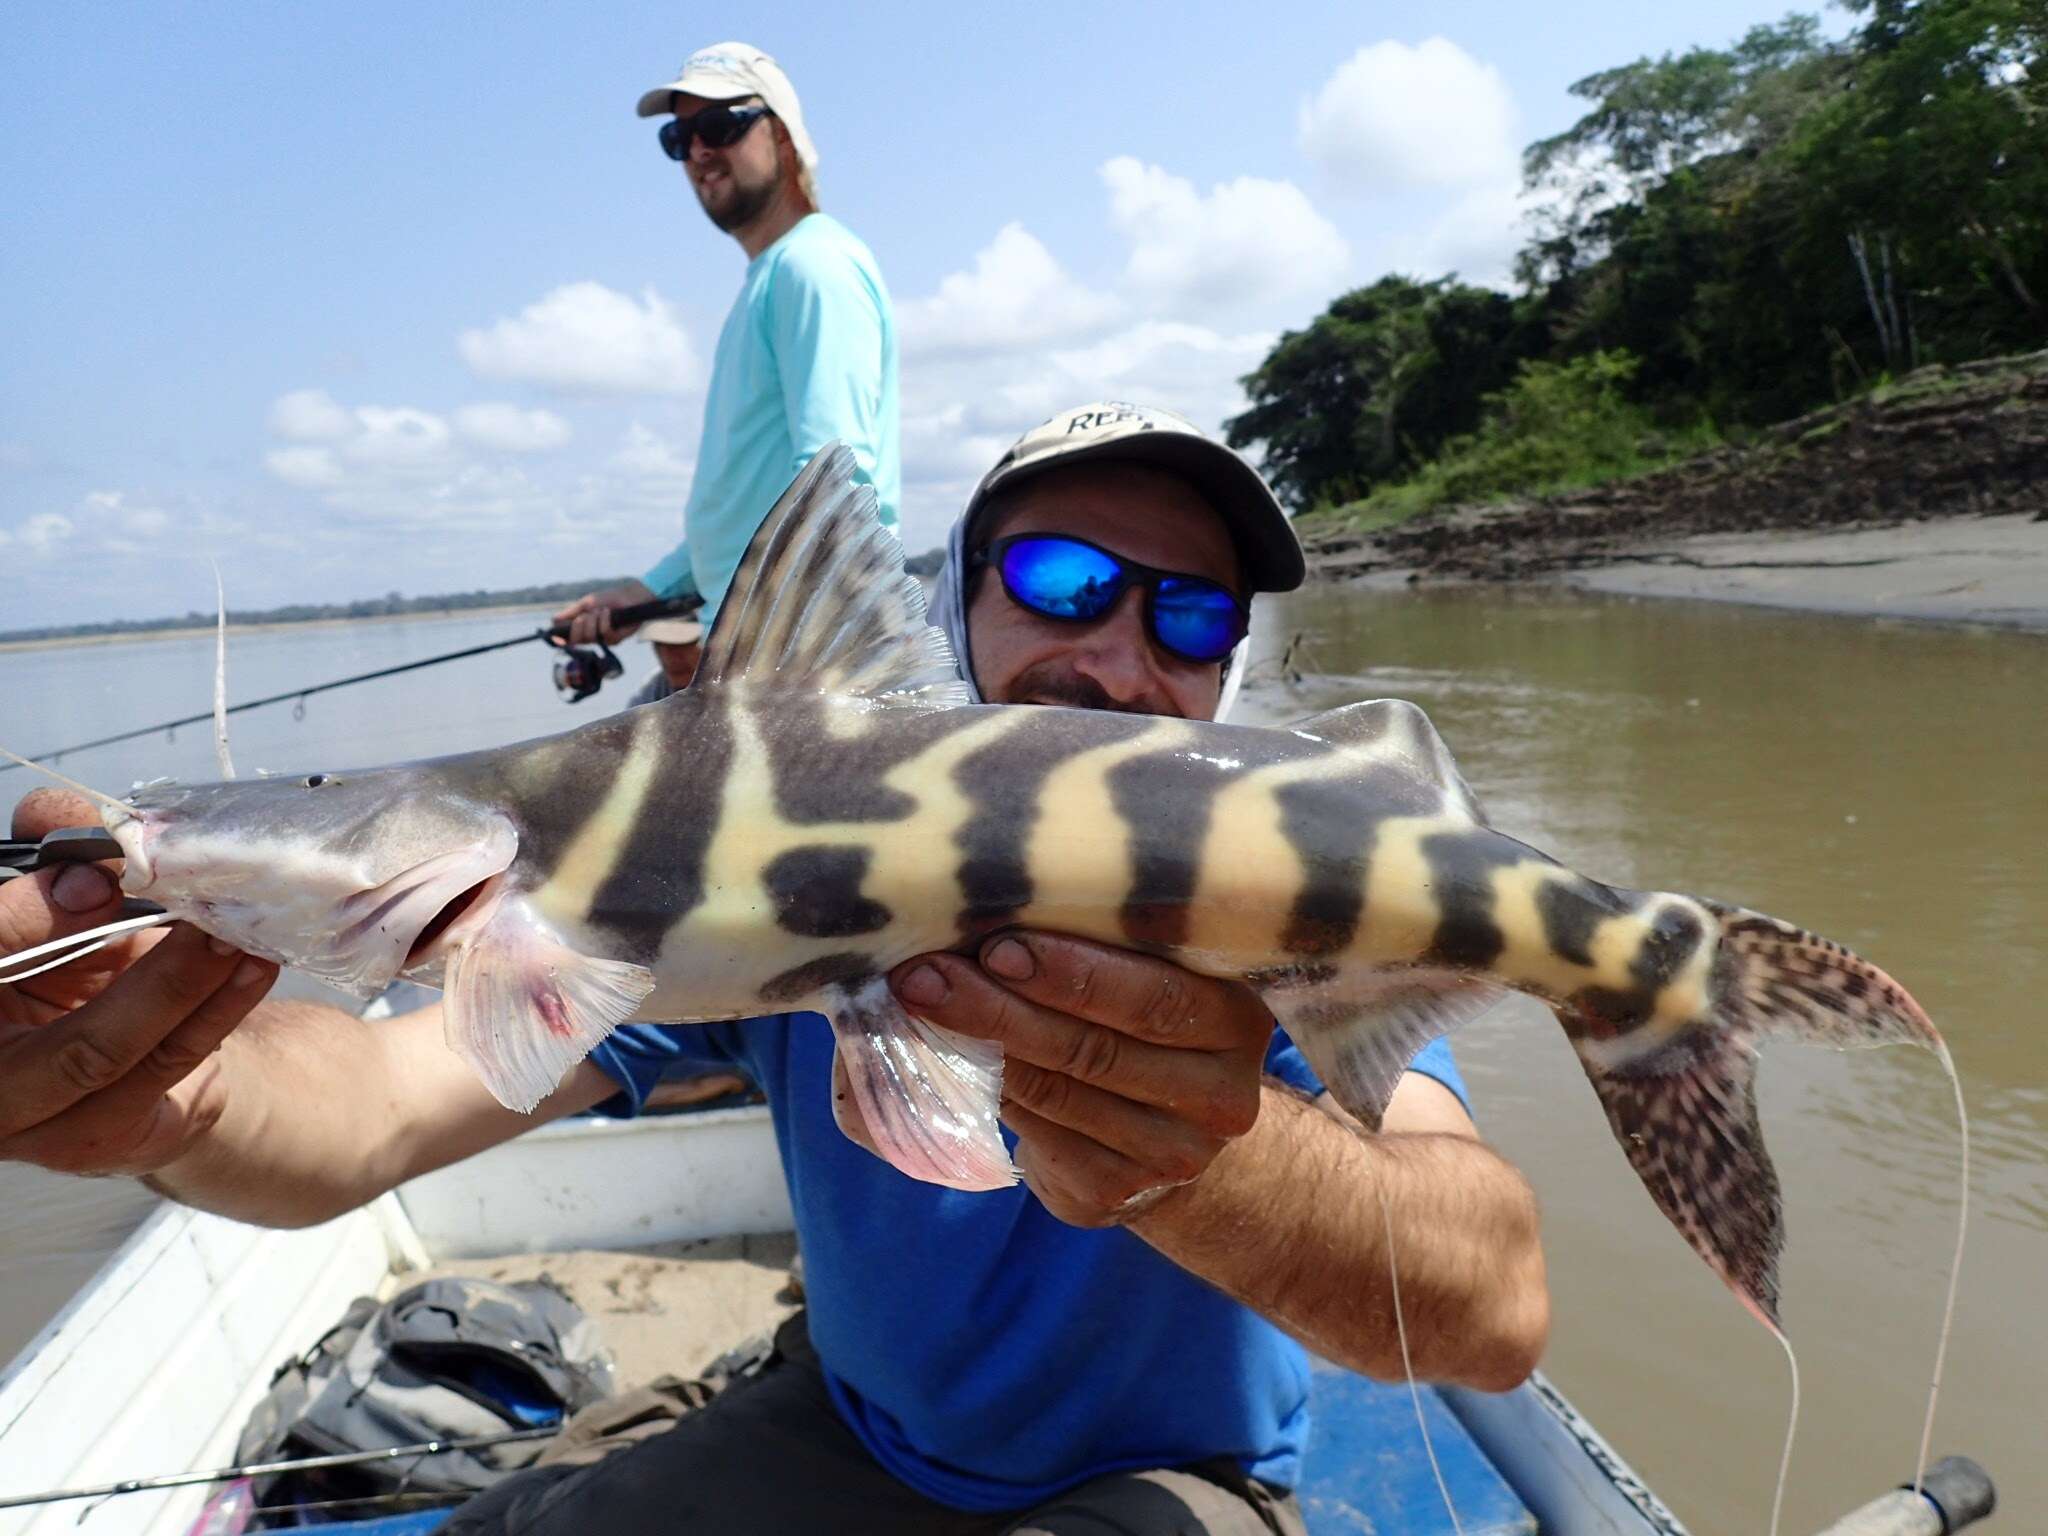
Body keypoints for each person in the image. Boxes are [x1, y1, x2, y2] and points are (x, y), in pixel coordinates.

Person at [0, 404, 1547, 1536]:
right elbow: (380, 1108)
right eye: (1068, 579)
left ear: (1224, 676)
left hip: (1165, 1487)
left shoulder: (1273, 920)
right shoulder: (762, 873)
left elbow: (1492, 1300)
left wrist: (1208, 1149)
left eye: (1194, 615)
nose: (1124, 653)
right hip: (846, 1420)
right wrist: (172, 1103)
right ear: (965, 598)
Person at [555, 40, 899, 657]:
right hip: (758, 650)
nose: (698, 151)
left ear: (786, 136)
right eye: (679, 138)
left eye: (718, 125)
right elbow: (743, 511)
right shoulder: (770, 279)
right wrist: (642, 593)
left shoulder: (813, 265)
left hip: (801, 658)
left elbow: (832, 483)